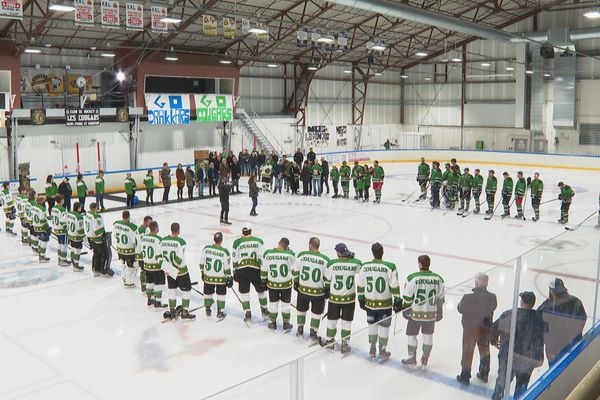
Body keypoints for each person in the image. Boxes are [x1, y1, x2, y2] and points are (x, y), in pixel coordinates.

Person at [490, 291, 544, 400]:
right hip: (528, 357)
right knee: (522, 384)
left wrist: (494, 340)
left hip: (509, 355)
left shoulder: (510, 314)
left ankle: (497, 398)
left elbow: (493, 329)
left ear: (521, 301)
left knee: (503, 380)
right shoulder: (540, 319)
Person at [357, 242, 401, 362]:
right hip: (385, 304)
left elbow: (360, 285)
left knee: (372, 325)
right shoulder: (390, 267)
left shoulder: (364, 267)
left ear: (372, 253)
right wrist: (397, 300)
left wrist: (361, 299)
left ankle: (372, 348)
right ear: (382, 252)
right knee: (384, 327)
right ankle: (382, 350)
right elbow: (394, 286)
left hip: (370, 304)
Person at [401, 255, 445, 368]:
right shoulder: (438, 279)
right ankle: (425, 358)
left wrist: (405, 309)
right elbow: (441, 298)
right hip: (431, 314)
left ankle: (412, 358)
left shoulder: (413, 278)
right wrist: (439, 310)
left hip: (415, 313)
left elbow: (407, 297)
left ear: (420, 264)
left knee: (412, 335)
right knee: (428, 335)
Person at [456, 273, 497, 385]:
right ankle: (484, 373)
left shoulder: (468, 297)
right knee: (485, 350)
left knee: (468, 352)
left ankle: (465, 376)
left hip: (470, 329)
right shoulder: (492, 297)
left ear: (477, 283)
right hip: (485, 327)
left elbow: (460, 309)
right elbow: (493, 306)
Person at [537, 278, 587, 366]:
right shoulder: (575, 301)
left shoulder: (546, 308)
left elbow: (537, 325)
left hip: (560, 348)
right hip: (566, 347)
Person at [322, 243, 361, 353]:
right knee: (346, 322)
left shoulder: (332, 264)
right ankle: (345, 343)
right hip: (349, 299)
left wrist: (327, 290)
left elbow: (327, 279)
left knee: (331, 321)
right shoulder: (354, 263)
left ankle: (330, 342)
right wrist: (351, 257)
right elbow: (360, 266)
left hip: (334, 299)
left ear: (338, 253)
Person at [293, 236, 330, 344]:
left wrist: (296, 282)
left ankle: (300, 331)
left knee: (301, 310)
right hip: (318, 293)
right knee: (316, 314)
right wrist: (327, 290)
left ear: (310, 245)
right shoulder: (325, 260)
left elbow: (295, 271)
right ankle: (313, 334)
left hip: (303, 290)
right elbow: (327, 278)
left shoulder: (302, 255)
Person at [232, 223, 268, 324]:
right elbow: (261, 258)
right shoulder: (258, 241)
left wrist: (235, 271)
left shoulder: (237, 242)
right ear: (251, 230)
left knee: (244, 293)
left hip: (242, 270)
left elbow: (234, 259)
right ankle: (264, 310)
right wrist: (265, 274)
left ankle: (247, 314)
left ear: (242, 231)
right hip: (255, 270)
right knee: (261, 291)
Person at [161, 222, 195, 320]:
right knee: (187, 290)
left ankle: (172, 310)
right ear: (178, 231)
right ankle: (185, 312)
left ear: (171, 230)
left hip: (169, 270)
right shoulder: (181, 242)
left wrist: (167, 269)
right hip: (181, 271)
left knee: (172, 290)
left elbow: (160, 256)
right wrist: (173, 269)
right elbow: (179, 258)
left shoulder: (163, 241)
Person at [262, 237, 296, 332]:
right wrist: (287, 250)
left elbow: (264, 269)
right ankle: (286, 324)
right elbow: (294, 260)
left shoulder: (268, 253)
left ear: (278, 243)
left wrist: (263, 281)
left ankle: (272, 323)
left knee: (273, 304)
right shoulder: (289, 254)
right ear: (287, 246)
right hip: (286, 284)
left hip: (272, 284)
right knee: (285, 305)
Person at [200, 232, 232, 320]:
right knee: (221, 294)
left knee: (208, 293)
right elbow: (227, 268)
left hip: (208, 277)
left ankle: (208, 309)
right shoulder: (225, 252)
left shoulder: (206, 249)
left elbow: (201, 263)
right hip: (220, 278)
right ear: (221, 240)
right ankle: (220, 312)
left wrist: (203, 273)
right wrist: (229, 278)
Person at [141, 221, 167, 309]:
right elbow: (162, 254)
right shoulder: (159, 239)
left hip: (147, 265)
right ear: (156, 228)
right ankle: (158, 303)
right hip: (156, 266)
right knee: (158, 284)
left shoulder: (144, 238)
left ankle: (150, 300)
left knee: (150, 283)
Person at [86, 203, 113, 277]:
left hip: (90, 238)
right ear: (96, 208)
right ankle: (102, 270)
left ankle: (95, 269)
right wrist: (104, 235)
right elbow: (98, 231)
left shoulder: (88, 214)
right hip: (97, 239)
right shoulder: (96, 217)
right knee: (103, 254)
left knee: (96, 254)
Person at [113, 210, 138, 288]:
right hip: (129, 250)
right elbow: (135, 241)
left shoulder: (116, 223)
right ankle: (129, 282)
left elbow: (114, 234)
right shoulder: (132, 227)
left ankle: (124, 277)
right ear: (129, 217)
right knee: (131, 266)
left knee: (123, 263)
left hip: (120, 249)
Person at [50, 195, 70, 266]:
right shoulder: (62, 209)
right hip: (62, 230)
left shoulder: (53, 208)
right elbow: (63, 221)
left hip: (56, 228)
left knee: (60, 244)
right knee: (64, 245)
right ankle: (63, 260)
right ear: (61, 200)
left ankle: (59, 258)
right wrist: (67, 229)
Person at [65, 202, 85, 271]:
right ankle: (76, 264)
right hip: (76, 235)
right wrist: (83, 236)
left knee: (73, 248)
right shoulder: (79, 217)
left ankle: (73, 261)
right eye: (80, 207)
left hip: (70, 234)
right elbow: (80, 229)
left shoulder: (69, 213)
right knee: (77, 249)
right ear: (78, 208)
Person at [31, 195, 51, 263]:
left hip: (35, 227)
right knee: (44, 241)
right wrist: (47, 226)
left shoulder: (33, 207)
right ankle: (42, 256)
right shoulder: (42, 209)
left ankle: (40, 254)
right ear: (41, 201)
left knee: (40, 240)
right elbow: (43, 219)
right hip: (42, 227)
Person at [135, 216, 153, 292]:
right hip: (141, 254)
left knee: (144, 270)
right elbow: (142, 243)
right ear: (145, 221)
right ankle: (143, 286)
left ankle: (146, 284)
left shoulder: (145, 229)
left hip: (143, 253)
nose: (151, 223)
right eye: (149, 222)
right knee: (143, 270)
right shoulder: (141, 230)